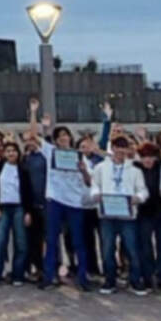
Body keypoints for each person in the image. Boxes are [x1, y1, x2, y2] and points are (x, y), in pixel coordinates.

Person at [88, 134, 148, 295]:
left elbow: (142, 190)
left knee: (132, 249)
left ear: (128, 150)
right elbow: (95, 185)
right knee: (107, 249)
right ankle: (110, 280)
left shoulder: (135, 170)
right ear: (112, 148)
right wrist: (96, 195)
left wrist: (138, 198)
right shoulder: (101, 168)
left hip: (128, 216)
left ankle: (135, 280)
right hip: (107, 215)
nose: (121, 152)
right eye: (118, 148)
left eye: (124, 148)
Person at [37, 114, 92, 291]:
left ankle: (82, 277)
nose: (63, 138)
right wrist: (34, 113)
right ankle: (49, 276)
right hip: (55, 199)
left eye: (65, 135)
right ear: (55, 140)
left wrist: (83, 170)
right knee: (51, 239)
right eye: (59, 136)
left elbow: (89, 182)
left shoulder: (79, 156)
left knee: (78, 241)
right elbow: (34, 136)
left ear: (70, 137)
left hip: (75, 202)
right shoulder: (51, 151)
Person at [0, 140, 33, 286]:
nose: (11, 153)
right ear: (4, 153)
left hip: (19, 208)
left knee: (21, 242)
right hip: (3, 207)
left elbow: (28, 192)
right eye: (8, 151)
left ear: (18, 153)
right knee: (0, 241)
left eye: (14, 151)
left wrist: (28, 212)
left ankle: (18, 275)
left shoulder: (23, 170)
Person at [134, 140, 161, 289]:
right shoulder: (135, 168)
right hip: (144, 213)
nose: (148, 160)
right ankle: (148, 276)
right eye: (144, 156)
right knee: (145, 246)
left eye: (151, 156)